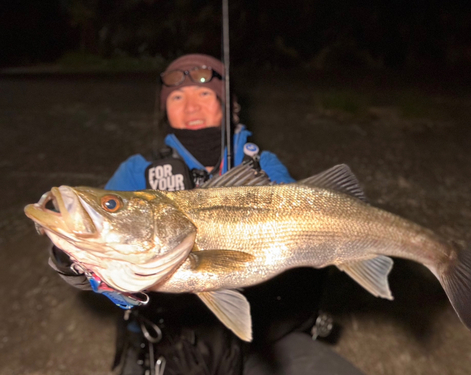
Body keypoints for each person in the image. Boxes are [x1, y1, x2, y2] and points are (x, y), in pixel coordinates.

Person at [48, 54, 365, 375]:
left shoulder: (262, 166)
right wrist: (71, 259)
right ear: (165, 110)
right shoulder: (137, 172)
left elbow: (311, 222)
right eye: (176, 97)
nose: (190, 107)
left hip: (261, 338)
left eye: (204, 94)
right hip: (169, 344)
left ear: (230, 105)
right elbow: (99, 267)